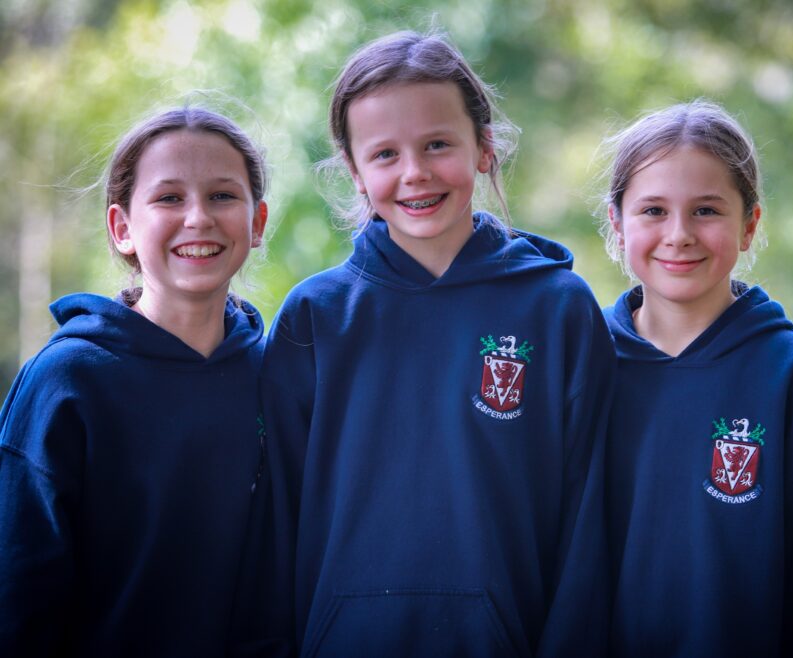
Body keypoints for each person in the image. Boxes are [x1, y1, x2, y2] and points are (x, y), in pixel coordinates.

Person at [258, 29, 614, 657]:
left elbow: (589, 522)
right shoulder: (314, 318)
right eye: (385, 154)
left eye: (437, 144)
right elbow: (274, 526)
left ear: (484, 147)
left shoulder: (558, 309)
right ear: (355, 172)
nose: (415, 172)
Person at [600, 100, 793, 657]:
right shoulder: (581, 362)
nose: (679, 234)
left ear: (749, 225)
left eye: (706, 210)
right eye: (653, 210)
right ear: (618, 224)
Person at [0, 105, 269, 657]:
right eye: (169, 198)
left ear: (257, 222)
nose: (198, 218)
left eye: (222, 195)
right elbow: (18, 595)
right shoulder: (65, 381)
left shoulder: (280, 373)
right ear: (122, 228)